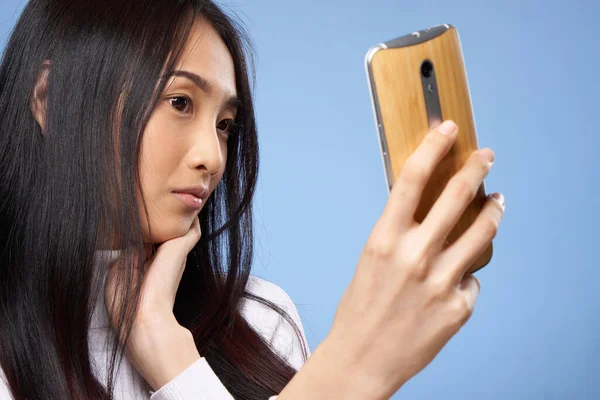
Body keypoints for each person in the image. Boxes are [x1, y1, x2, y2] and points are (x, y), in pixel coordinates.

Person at [0, 0, 505, 399]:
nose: (213, 157)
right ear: (53, 99)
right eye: (180, 103)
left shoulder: (258, 320)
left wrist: (172, 360)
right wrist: (351, 371)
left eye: (224, 125)